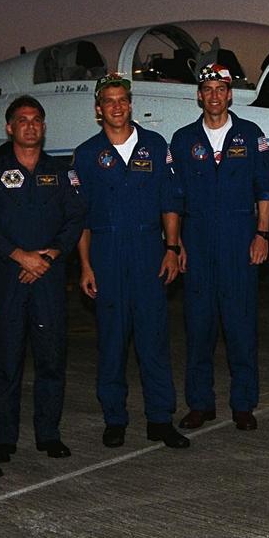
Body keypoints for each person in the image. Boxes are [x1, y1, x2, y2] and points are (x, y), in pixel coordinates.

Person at [72, 73, 190, 449]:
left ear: (130, 103)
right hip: (106, 254)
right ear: (98, 109)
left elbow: (170, 201)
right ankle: (115, 419)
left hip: (147, 252)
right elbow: (80, 218)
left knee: (153, 341)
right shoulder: (87, 154)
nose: (118, 107)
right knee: (111, 342)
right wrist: (86, 266)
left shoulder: (155, 146)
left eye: (123, 99)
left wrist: (171, 248)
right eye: (109, 101)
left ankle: (160, 419)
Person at [0, 96, 86, 463]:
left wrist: (49, 255)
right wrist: (20, 255)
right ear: (9, 128)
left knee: (51, 360)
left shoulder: (60, 171)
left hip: (49, 279)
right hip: (9, 279)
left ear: (43, 126)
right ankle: (4, 438)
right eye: (22, 120)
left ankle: (48, 434)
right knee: (6, 362)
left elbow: (75, 219)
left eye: (36, 120)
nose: (30, 125)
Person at [169, 64, 269, 431]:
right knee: (198, 329)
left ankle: (243, 404)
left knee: (241, 327)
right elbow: (174, 198)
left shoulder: (251, 135)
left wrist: (262, 235)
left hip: (239, 243)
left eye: (221, 89)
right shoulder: (183, 140)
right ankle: (200, 404)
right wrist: (175, 243)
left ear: (230, 95)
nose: (214, 95)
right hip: (196, 246)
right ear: (199, 95)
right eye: (208, 89)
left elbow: (265, 189)